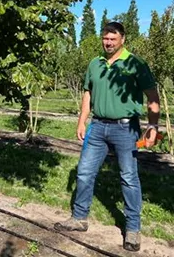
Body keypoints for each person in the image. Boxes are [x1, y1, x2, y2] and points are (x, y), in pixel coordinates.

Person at [54, 22, 160, 252]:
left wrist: (153, 126)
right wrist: (82, 120)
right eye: (105, 38)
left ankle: (133, 229)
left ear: (123, 39)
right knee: (84, 172)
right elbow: (87, 92)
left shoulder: (136, 63)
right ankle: (79, 218)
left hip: (126, 129)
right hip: (98, 127)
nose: (108, 42)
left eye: (113, 38)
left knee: (129, 177)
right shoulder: (95, 63)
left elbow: (152, 95)